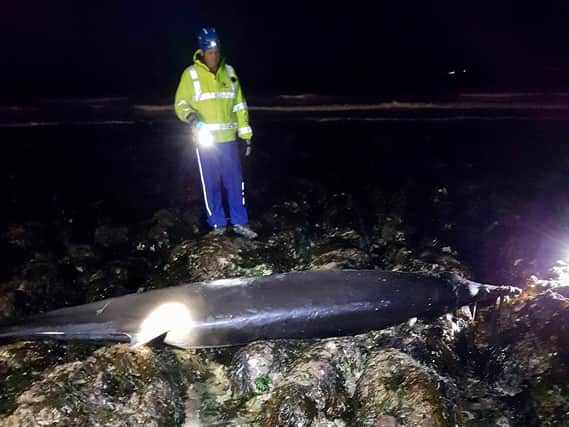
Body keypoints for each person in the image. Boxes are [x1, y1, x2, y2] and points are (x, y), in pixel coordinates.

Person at [174, 27, 257, 239]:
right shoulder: (190, 75)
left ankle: (240, 222)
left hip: (228, 139)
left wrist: (246, 135)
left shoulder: (229, 73)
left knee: (235, 181)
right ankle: (217, 224)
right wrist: (192, 117)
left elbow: (239, 105)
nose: (213, 56)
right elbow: (181, 104)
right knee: (210, 183)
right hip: (205, 140)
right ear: (201, 52)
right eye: (210, 52)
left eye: (216, 51)